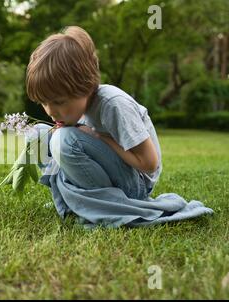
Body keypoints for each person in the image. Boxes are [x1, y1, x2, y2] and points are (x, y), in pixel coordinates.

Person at [24, 26, 213, 228]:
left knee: (65, 140)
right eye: (44, 102)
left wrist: (99, 137)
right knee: (36, 135)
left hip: (134, 184)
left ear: (86, 87)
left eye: (59, 102)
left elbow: (149, 163)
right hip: (109, 172)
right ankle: (78, 202)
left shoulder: (113, 105)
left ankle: (99, 207)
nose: (51, 111)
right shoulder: (76, 109)